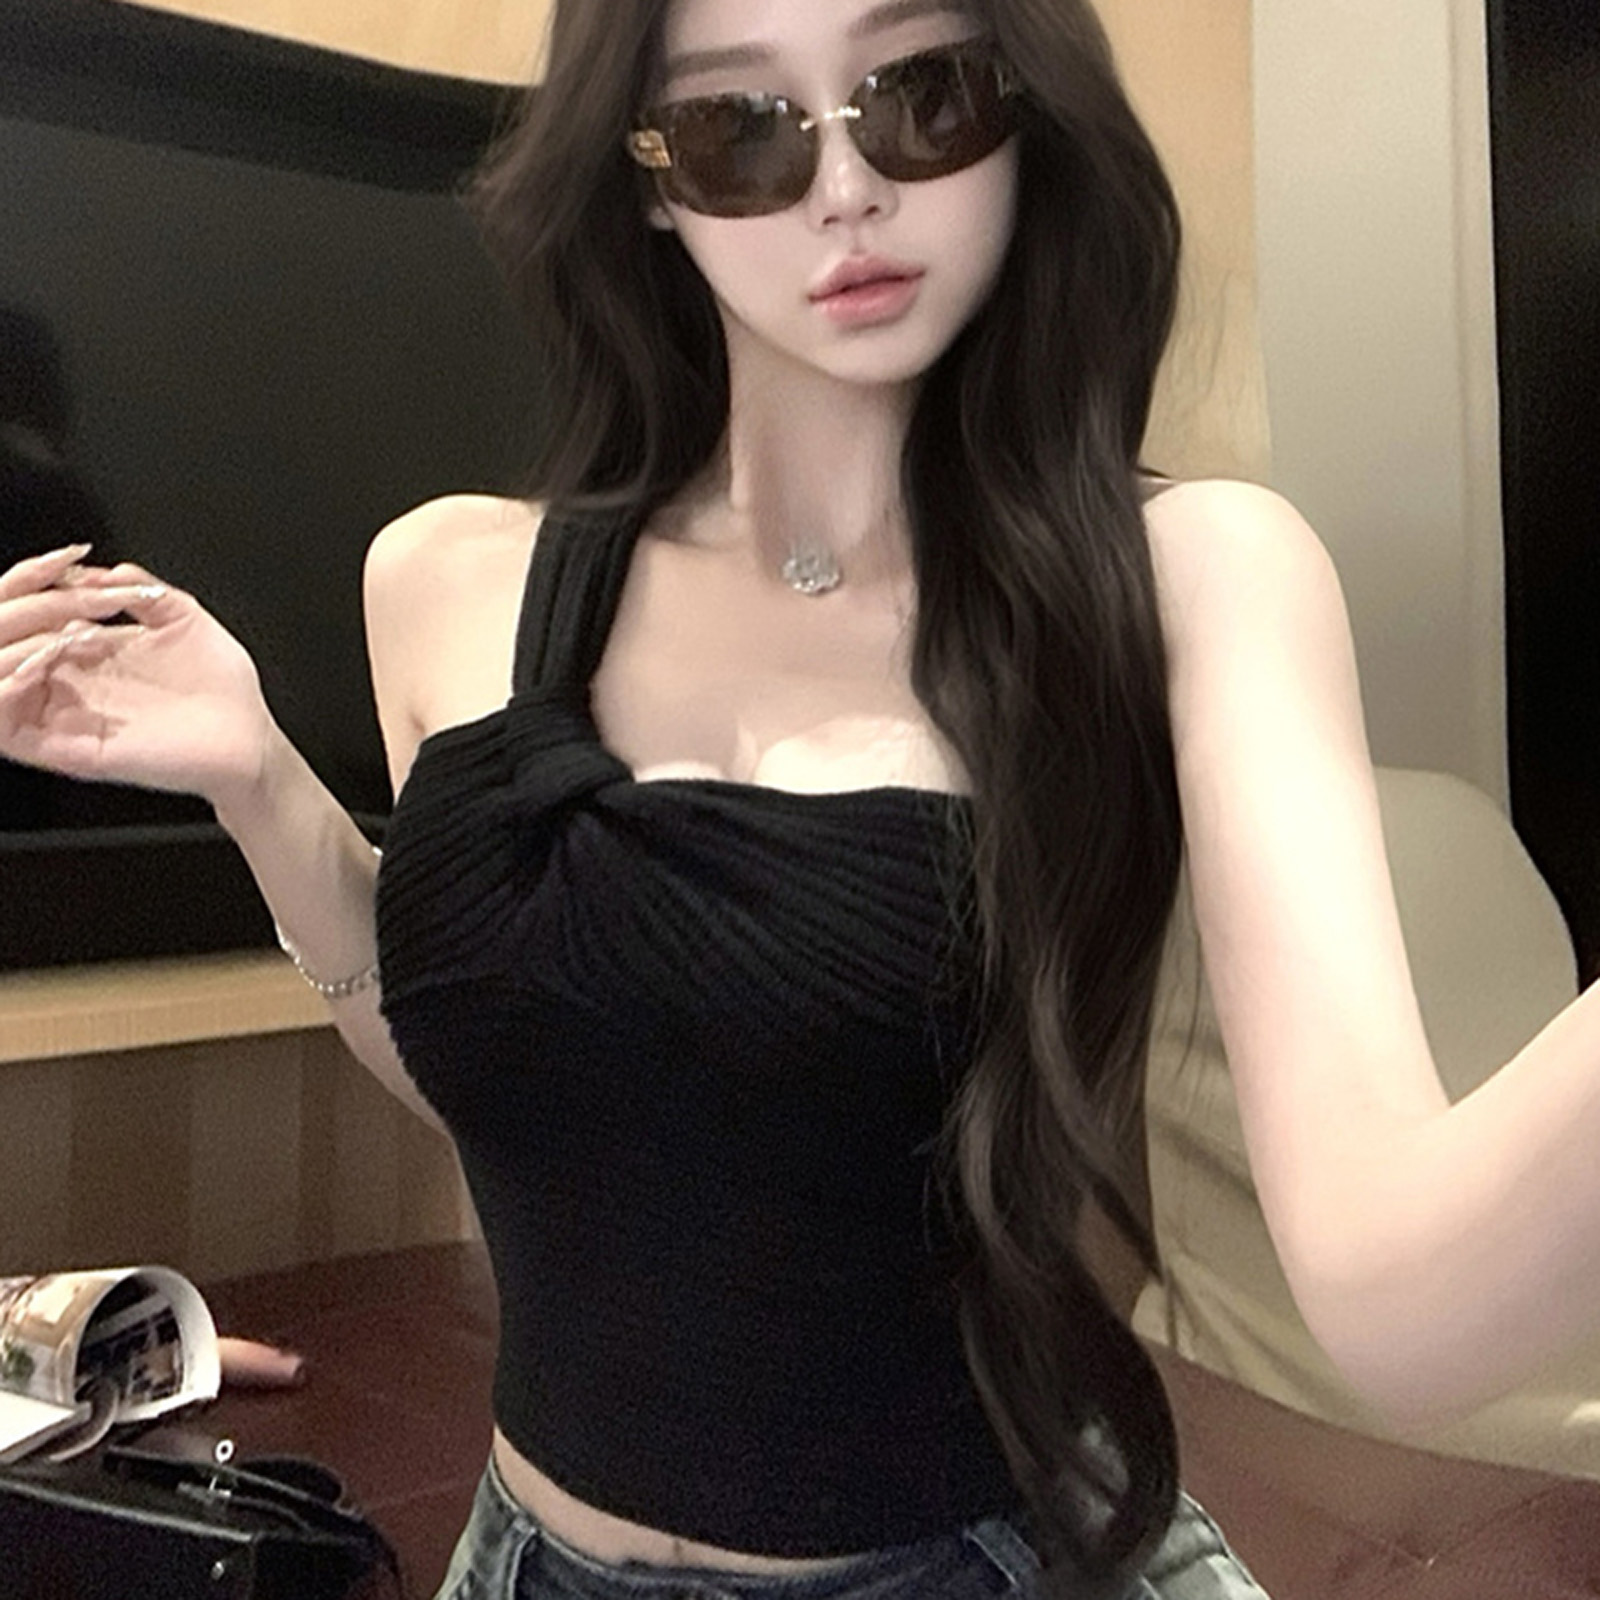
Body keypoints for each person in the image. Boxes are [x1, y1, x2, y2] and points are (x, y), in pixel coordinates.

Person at [2, 0, 1598, 1595]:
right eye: (737, 129)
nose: (846, 189)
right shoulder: (447, 582)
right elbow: (523, 1083)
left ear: (1025, 108)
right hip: (523, 1562)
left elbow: (1395, 1296)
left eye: (922, 93)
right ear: (648, 178)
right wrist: (259, 781)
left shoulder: (1188, 578)